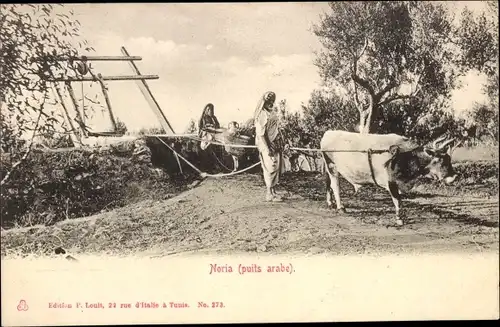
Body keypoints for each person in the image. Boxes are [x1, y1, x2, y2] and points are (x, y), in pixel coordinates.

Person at [253, 91, 285, 202]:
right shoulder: (261, 114)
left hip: (275, 142)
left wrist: (280, 139)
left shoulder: (271, 112)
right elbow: (261, 134)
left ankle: (274, 191)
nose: (271, 103)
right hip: (266, 143)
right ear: (264, 102)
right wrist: (267, 147)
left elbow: (276, 128)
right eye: (269, 101)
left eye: (272, 100)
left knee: (276, 167)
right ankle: (268, 193)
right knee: (270, 167)